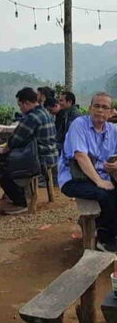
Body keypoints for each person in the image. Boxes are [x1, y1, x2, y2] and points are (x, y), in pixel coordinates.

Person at [58, 92, 117, 252]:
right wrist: (99, 181)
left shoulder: (113, 130)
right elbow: (80, 155)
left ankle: (108, 229)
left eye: (105, 107)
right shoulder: (79, 124)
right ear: (90, 108)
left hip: (101, 177)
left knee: (111, 192)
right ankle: (105, 239)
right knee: (105, 194)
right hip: (74, 178)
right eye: (96, 106)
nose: (100, 110)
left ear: (111, 112)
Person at [0, 87, 58, 214]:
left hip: (40, 158)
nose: (20, 109)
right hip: (51, 154)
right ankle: (17, 194)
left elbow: (16, 139)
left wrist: (4, 149)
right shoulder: (45, 112)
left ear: (26, 103)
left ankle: (21, 202)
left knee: (2, 171)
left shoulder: (32, 117)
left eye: (20, 105)